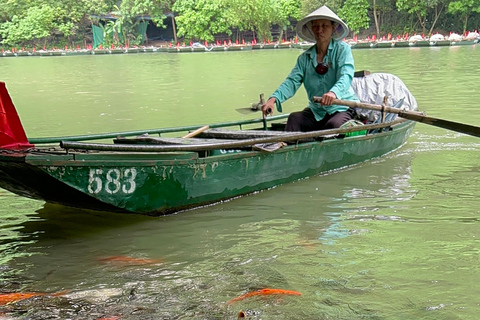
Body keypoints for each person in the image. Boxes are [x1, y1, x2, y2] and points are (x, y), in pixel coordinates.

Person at [262, 5, 359, 132]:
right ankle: (291, 148)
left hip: (341, 107)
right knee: (294, 119)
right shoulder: (304, 58)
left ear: (333, 28)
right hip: (317, 111)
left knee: (333, 126)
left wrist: (333, 93)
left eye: (324, 25)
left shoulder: (342, 50)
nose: (320, 30)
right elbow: (291, 82)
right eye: (316, 26)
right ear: (311, 29)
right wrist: (273, 99)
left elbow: (346, 76)